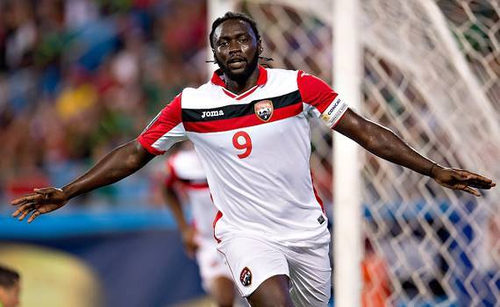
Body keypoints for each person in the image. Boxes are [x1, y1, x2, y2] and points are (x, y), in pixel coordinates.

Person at [11, 11, 495, 307]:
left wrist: (433, 169)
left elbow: (365, 131)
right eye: (224, 43)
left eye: (242, 39)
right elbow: (135, 153)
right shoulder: (190, 104)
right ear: (214, 54)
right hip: (244, 233)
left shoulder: (298, 87)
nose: (234, 48)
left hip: (306, 232)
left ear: (259, 46)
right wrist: (69, 189)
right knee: (270, 300)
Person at [163, 141, 236, 307]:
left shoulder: (236, 152)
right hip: (210, 241)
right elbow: (166, 188)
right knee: (225, 300)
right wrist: (184, 229)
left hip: (245, 235)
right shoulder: (182, 163)